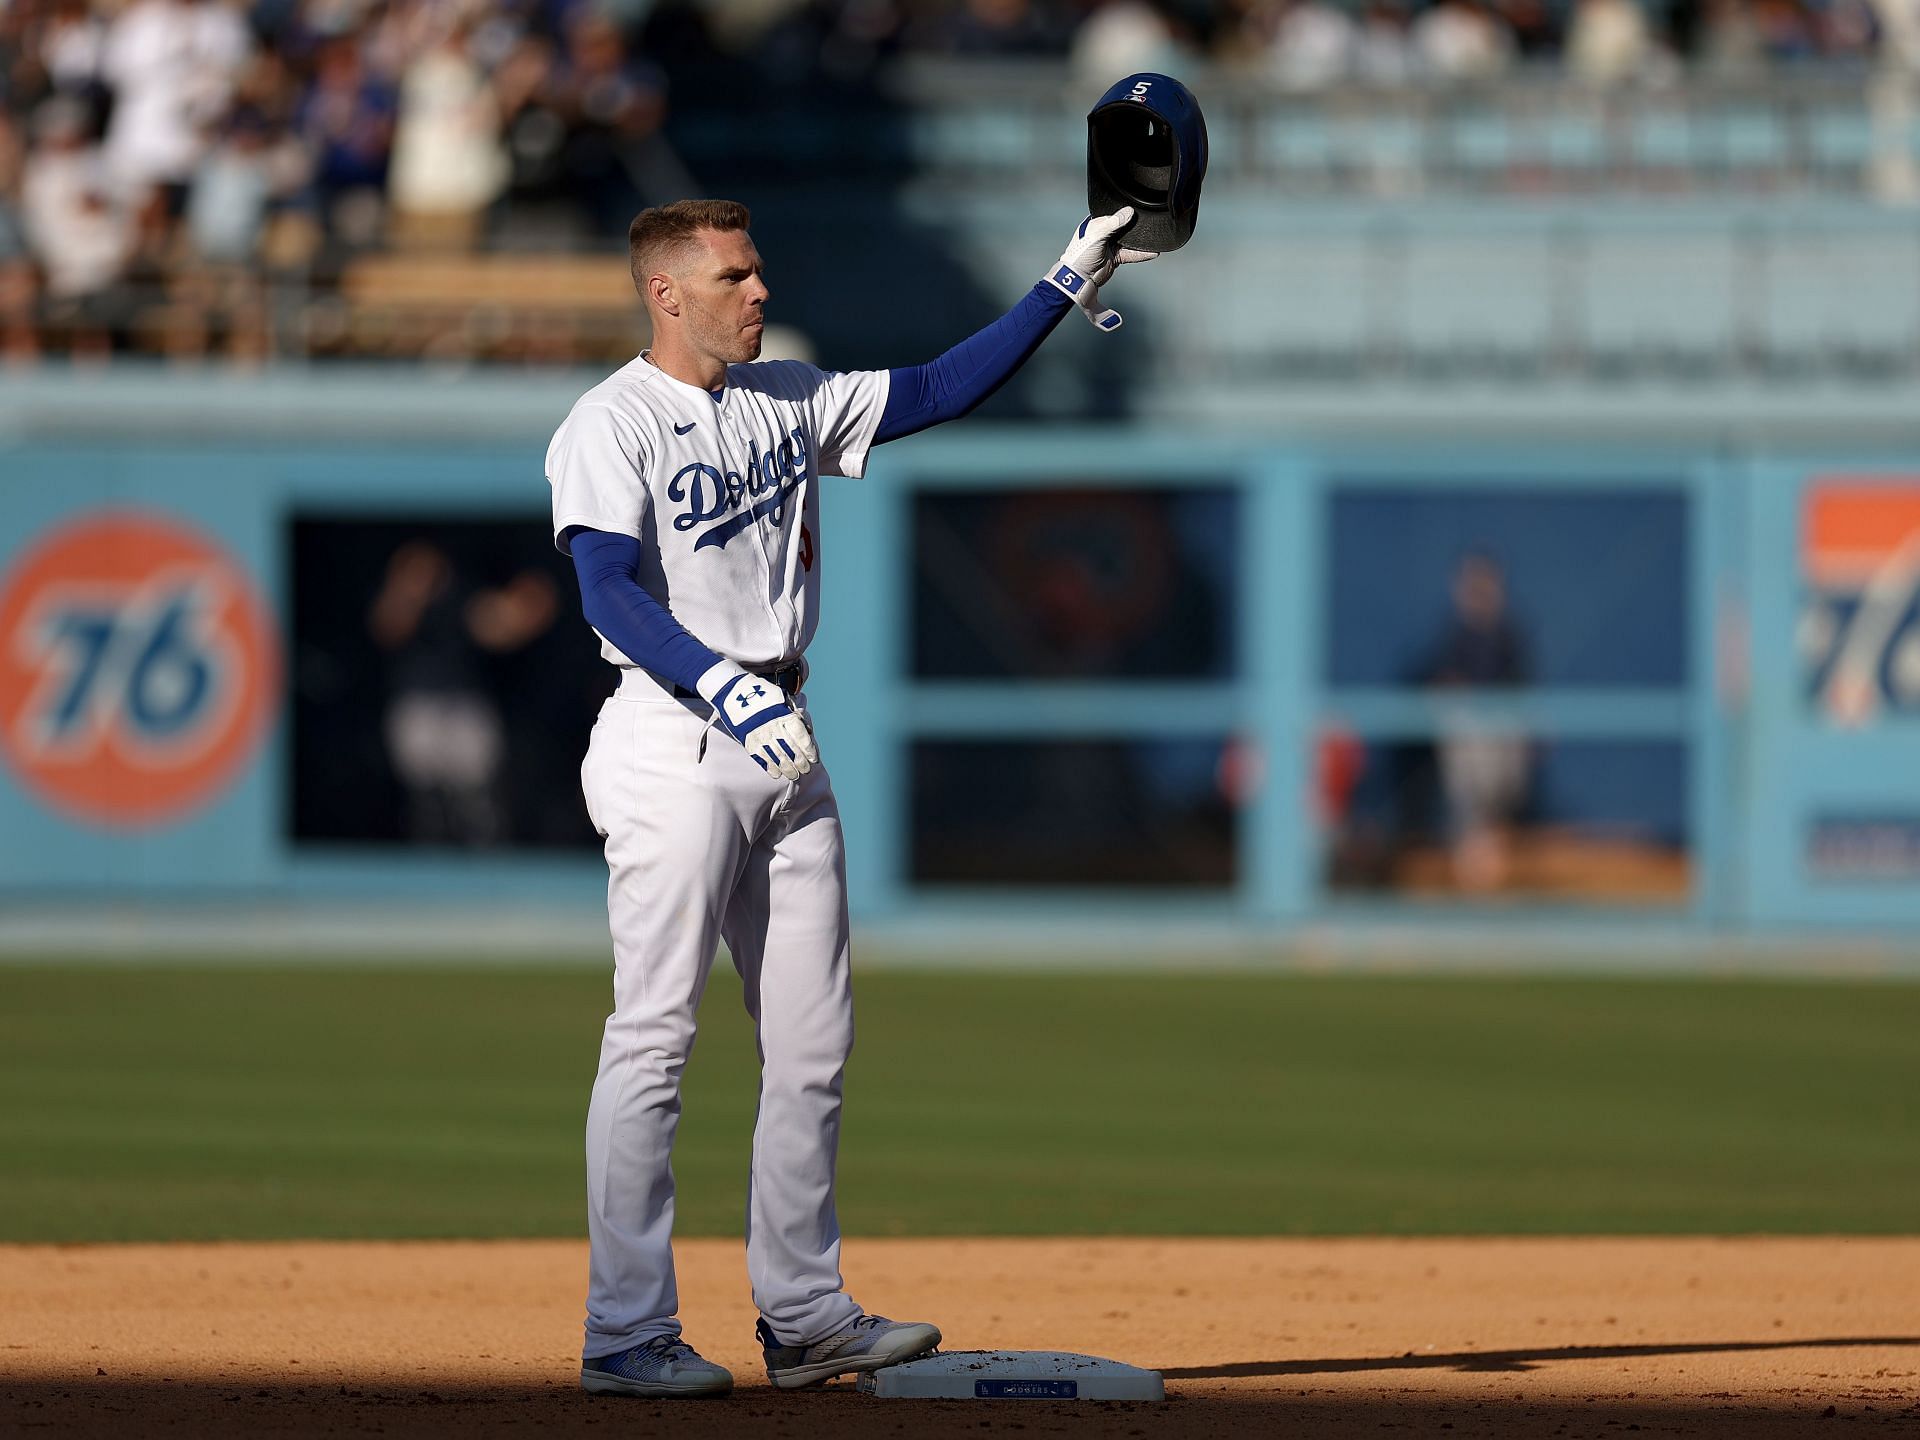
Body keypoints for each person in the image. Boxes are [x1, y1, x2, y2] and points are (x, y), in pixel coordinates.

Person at [546, 197, 1150, 1398]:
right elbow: (605, 590)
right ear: (667, 294)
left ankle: (806, 1313)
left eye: (758, 269)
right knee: (656, 1035)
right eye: (732, 276)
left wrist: (1067, 279)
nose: (758, 291)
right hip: (675, 736)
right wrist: (719, 686)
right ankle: (625, 1332)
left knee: (815, 1044)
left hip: (784, 732)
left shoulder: (789, 395)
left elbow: (934, 391)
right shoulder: (611, 422)